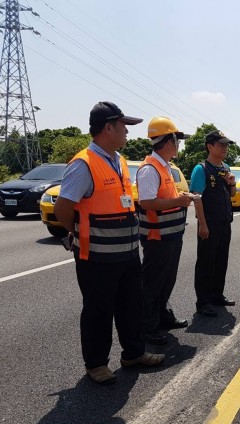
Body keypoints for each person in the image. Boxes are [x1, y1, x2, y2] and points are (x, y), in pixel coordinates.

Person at [54, 101, 164, 385]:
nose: (127, 133)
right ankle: (96, 364)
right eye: (124, 127)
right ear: (108, 127)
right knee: (99, 309)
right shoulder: (84, 164)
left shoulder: (119, 161)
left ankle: (133, 353)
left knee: (131, 305)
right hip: (97, 256)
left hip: (127, 253)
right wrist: (79, 234)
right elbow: (63, 209)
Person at [137, 117, 197, 345]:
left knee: (167, 279)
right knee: (152, 283)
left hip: (171, 234)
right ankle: (149, 328)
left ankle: (163, 317)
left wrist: (180, 200)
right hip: (157, 236)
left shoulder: (166, 168)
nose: (179, 145)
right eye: (177, 140)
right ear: (169, 141)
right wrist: (179, 202)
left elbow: (165, 199)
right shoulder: (150, 169)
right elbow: (147, 202)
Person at [189, 130, 237, 317]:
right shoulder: (201, 169)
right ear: (210, 146)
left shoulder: (225, 167)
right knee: (206, 263)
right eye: (221, 144)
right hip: (209, 223)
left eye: (226, 145)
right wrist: (202, 223)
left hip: (225, 222)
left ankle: (217, 295)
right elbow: (196, 198)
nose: (225, 148)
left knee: (221, 261)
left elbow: (232, 196)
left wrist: (232, 183)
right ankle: (203, 302)